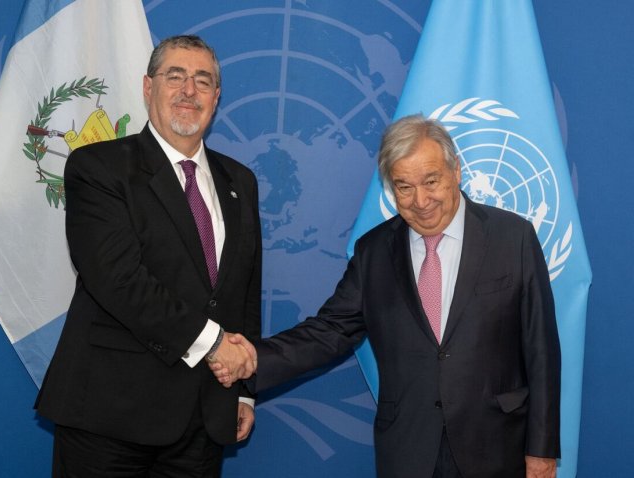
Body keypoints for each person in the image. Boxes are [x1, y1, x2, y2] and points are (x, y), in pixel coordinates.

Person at [212, 114, 561, 478]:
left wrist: (542, 449)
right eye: (404, 187)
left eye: (431, 181)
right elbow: (328, 332)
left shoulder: (513, 238)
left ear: (456, 171)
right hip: (409, 450)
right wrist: (251, 360)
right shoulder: (373, 252)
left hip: (498, 447)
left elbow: (542, 352)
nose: (421, 200)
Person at [35, 35, 261, 478]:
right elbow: (119, 281)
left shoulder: (240, 180)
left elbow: (244, 289)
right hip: (109, 417)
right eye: (174, 76)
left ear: (216, 97)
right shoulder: (97, 167)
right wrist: (216, 344)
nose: (188, 91)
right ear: (147, 87)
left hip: (202, 418)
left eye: (202, 80)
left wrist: (243, 388)